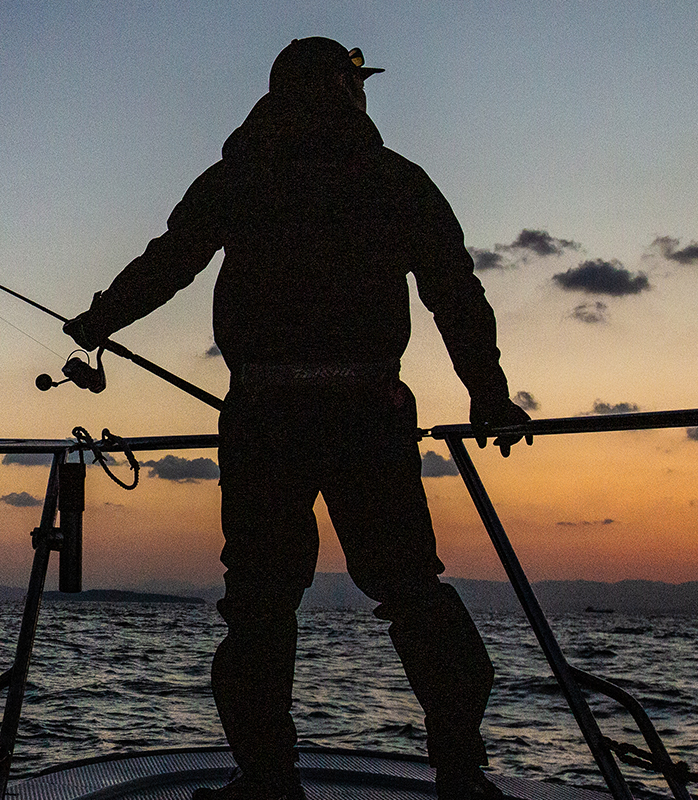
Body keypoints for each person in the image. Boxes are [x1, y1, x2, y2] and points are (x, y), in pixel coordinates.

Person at [63, 37, 531, 800]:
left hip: (264, 421)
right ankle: (459, 772)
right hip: (368, 418)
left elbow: (169, 262)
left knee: (260, 604)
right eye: (357, 81)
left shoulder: (236, 178)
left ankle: (268, 780)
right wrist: (488, 392)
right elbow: (455, 291)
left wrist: (99, 320)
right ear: (344, 89)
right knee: (411, 591)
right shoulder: (395, 179)